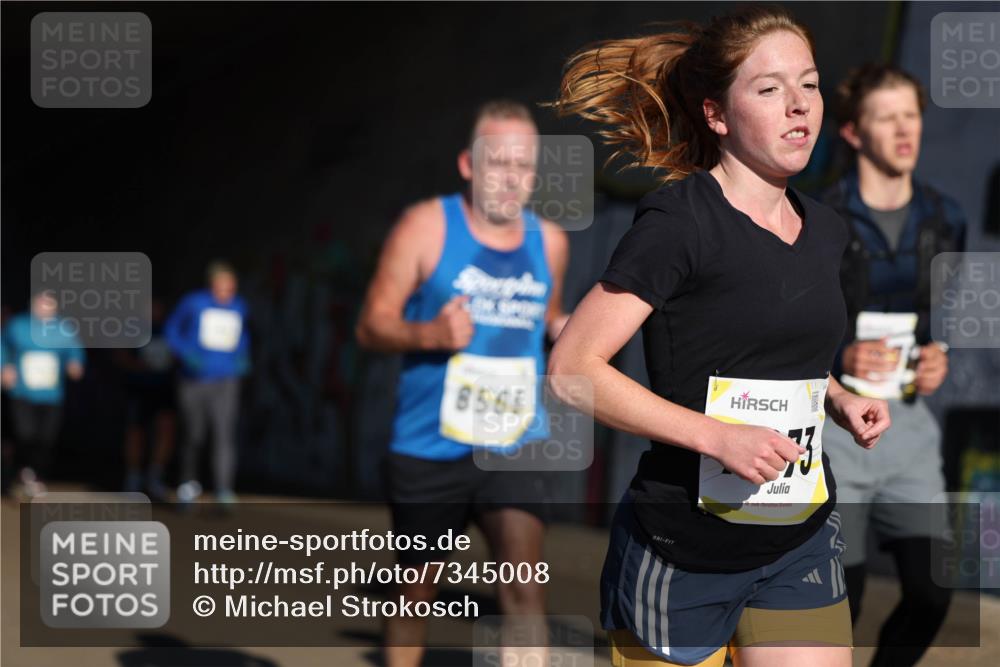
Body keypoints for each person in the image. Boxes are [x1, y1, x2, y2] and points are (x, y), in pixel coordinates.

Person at [548, 7, 891, 666]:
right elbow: (572, 367)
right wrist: (716, 436)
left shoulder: (827, 230)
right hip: (685, 548)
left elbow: (772, 353)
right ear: (717, 115)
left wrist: (837, 398)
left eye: (810, 84)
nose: (799, 106)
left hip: (800, 534)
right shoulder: (679, 225)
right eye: (769, 90)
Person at [355, 99, 570, 667]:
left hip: (516, 439)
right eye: (497, 162)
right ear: (468, 165)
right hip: (430, 443)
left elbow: (547, 316)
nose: (511, 178)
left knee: (523, 585)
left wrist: (563, 328)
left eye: (523, 166)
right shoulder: (426, 226)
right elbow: (371, 325)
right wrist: (430, 333)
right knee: (415, 594)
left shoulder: (549, 242)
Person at [821, 63, 965, 667]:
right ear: (854, 133)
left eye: (911, 115)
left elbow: (935, 320)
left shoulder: (945, 218)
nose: (905, 130)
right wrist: (841, 356)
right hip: (835, 424)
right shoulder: (819, 217)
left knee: (933, 592)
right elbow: (790, 325)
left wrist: (939, 359)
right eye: (887, 118)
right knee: (842, 603)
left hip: (907, 424)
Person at [165, 261, 250, 506]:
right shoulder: (193, 303)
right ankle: (188, 483)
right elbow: (172, 331)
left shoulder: (239, 307)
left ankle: (223, 488)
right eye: (221, 287)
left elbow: (242, 336)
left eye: (230, 288)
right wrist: (185, 354)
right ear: (211, 285)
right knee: (194, 433)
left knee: (223, 434)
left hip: (226, 379)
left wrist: (242, 356)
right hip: (194, 379)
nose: (226, 293)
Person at [0, 290, 85, 497]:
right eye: (41, 303)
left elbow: (75, 351)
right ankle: (19, 472)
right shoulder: (18, 325)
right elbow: (3, 346)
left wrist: (76, 364)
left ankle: (33, 473)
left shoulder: (64, 329)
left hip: (51, 394)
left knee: (45, 438)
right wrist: (4, 368)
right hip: (22, 392)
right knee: (24, 433)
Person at [117, 297, 177, 501]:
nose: (154, 311)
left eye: (157, 307)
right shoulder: (133, 330)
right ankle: (133, 477)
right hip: (139, 388)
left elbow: (181, 353)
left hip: (162, 389)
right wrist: (139, 366)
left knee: (166, 430)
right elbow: (121, 356)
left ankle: (155, 476)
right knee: (136, 432)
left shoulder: (170, 330)